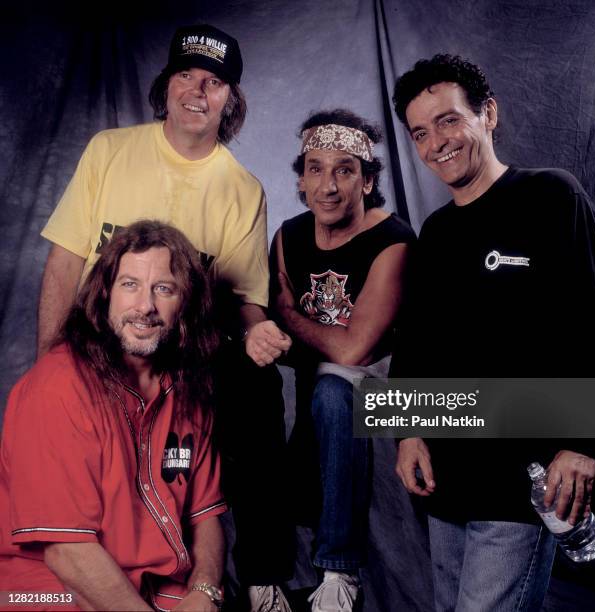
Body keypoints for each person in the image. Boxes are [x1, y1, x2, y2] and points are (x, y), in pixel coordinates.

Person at [36, 24, 293, 611]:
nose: (197, 92)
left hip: (180, 354)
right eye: (186, 76)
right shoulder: (110, 149)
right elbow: (64, 260)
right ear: (166, 84)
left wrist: (257, 329)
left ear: (231, 99)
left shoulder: (241, 189)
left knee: (256, 388)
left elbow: (242, 296)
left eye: (214, 83)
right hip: (96, 346)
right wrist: (49, 360)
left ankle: (261, 576)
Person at [391, 54, 595, 611]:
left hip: (522, 481)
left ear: (488, 114)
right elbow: (417, 341)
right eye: (419, 132)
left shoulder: (553, 196)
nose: (436, 142)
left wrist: (582, 444)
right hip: (449, 479)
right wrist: (407, 433)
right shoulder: (434, 232)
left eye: (448, 120)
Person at [0, 220, 226, 611]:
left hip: (147, 584)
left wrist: (204, 590)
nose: (145, 306)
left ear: (185, 303)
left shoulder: (189, 391)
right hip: (45, 585)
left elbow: (206, 515)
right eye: (130, 284)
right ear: (104, 294)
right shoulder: (58, 388)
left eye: (164, 288)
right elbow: (66, 551)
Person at [271, 109, 414, 612]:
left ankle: (339, 573)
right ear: (301, 178)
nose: (327, 186)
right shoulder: (289, 236)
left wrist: (290, 312)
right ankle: (263, 577)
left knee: (334, 385)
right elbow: (274, 328)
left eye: (344, 170)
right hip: (319, 385)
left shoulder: (393, 241)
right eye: (315, 168)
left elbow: (356, 350)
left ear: (368, 179)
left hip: (393, 393)